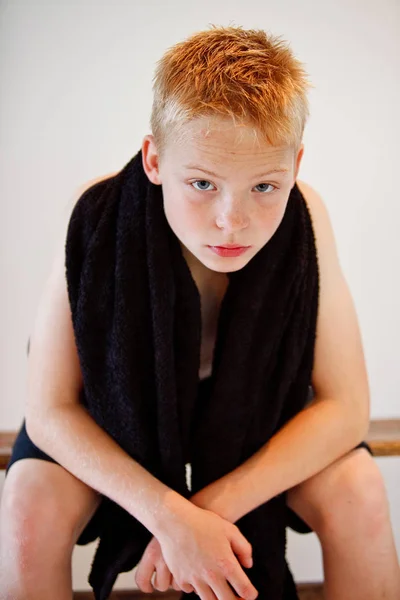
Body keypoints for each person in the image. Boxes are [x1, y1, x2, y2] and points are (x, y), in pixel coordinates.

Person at [1, 24, 399, 600]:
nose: (231, 220)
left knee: (359, 486)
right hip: (116, 420)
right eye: (202, 183)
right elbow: (50, 410)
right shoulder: (98, 214)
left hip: (255, 422)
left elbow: (346, 404)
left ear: (297, 164)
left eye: (265, 186)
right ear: (154, 159)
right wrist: (164, 513)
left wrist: (200, 516)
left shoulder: (309, 216)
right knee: (27, 499)